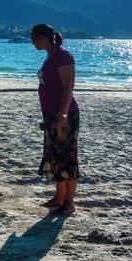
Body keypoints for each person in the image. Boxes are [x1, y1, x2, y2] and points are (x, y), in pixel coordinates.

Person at [31, 23, 80, 216]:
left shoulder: (63, 56)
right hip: (51, 114)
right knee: (55, 155)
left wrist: (63, 115)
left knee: (67, 156)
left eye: (34, 38)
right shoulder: (51, 56)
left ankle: (69, 202)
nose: (32, 42)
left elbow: (69, 86)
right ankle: (59, 197)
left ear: (44, 38)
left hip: (64, 114)